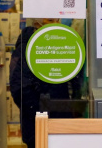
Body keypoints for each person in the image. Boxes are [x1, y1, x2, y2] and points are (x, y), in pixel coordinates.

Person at [9, 18, 84, 148]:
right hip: (39, 127)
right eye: (49, 19)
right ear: (37, 22)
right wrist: (42, 113)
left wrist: (73, 108)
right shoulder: (27, 46)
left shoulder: (64, 43)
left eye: (56, 19)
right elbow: (20, 89)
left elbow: (73, 81)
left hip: (63, 125)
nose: (54, 21)